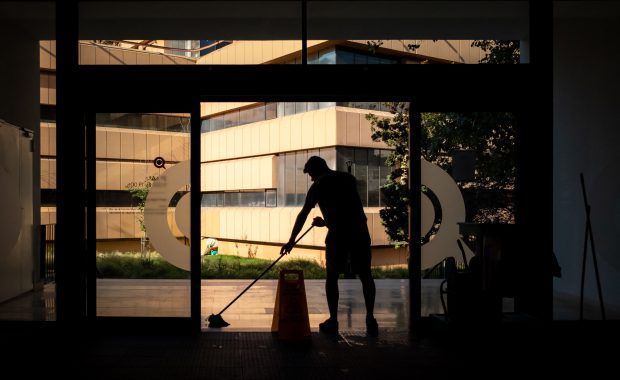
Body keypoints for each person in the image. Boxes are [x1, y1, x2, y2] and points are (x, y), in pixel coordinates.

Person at [281, 156, 378, 336]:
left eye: (310, 174)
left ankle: (333, 320)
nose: (311, 178)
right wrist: (326, 222)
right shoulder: (348, 179)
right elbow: (347, 211)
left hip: (338, 236)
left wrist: (292, 240)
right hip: (359, 232)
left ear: (316, 170)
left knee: (332, 276)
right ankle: (371, 319)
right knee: (366, 275)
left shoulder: (319, 185)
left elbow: (303, 214)